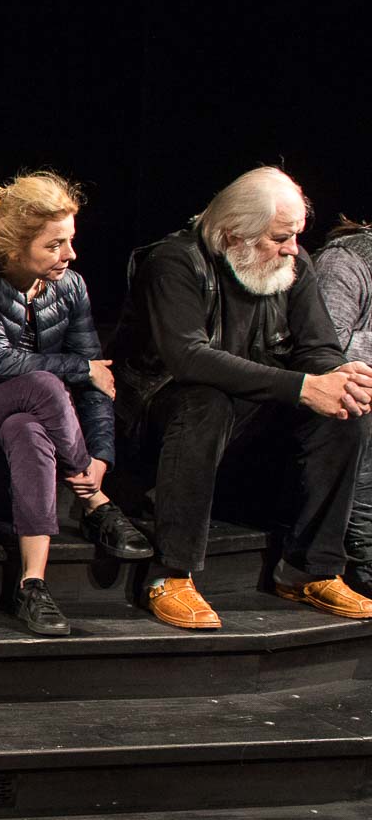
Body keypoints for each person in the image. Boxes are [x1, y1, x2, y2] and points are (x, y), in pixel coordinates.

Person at [112, 166, 372, 630]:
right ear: (234, 234)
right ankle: (170, 574)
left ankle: (309, 569)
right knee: (206, 400)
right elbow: (189, 358)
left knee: (343, 410)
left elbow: (317, 346)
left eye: (296, 235)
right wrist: (303, 386)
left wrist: (338, 377)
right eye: (280, 237)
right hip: (160, 422)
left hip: (245, 421)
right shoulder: (174, 261)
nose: (292, 248)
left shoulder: (294, 262)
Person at [0, 172, 152, 636]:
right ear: (14, 248)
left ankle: (32, 585)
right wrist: (80, 369)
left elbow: (99, 379)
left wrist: (101, 456)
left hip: (23, 438)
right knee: (44, 384)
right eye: (54, 245)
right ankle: (96, 504)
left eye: (70, 241)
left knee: (27, 427)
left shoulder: (70, 286)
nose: (70, 255)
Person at [314, 219, 372, 597]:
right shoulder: (345, 262)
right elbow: (325, 352)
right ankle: (365, 553)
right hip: (324, 404)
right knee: (358, 398)